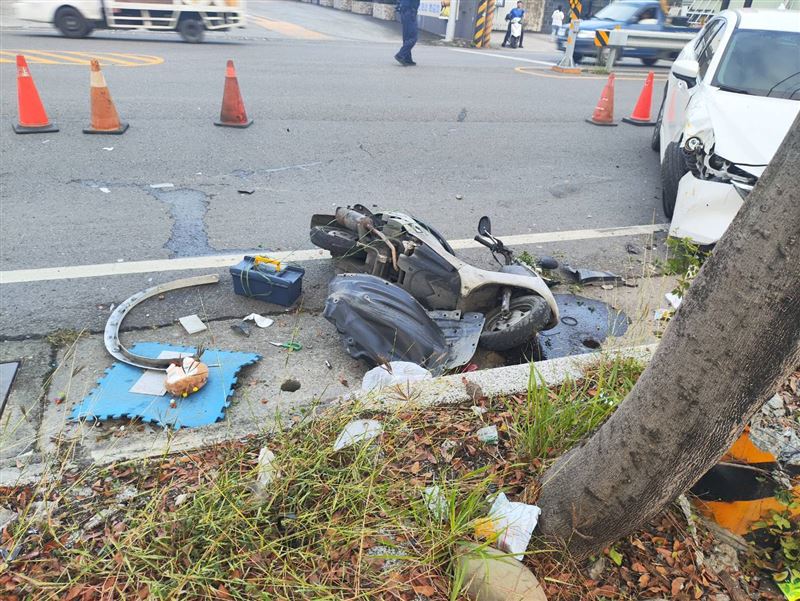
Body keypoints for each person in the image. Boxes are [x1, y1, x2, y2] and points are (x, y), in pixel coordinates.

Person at [395, 0, 420, 66]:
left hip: (404, 12)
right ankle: (401, 55)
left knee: (407, 37)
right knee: (413, 37)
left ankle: (407, 58)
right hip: (410, 12)